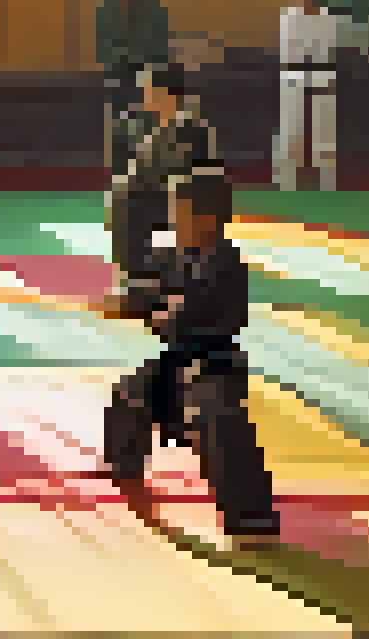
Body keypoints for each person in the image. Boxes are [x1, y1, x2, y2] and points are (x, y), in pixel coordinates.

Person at [106, 163, 282, 549]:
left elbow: (181, 315)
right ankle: (123, 467)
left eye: (178, 211)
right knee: (129, 394)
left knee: (218, 421)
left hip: (215, 363)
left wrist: (153, 313)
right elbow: (151, 287)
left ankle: (253, 519)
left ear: (205, 219)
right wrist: (130, 299)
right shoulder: (180, 252)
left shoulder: (224, 261)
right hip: (178, 358)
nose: (172, 218)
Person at [107, 67, 216, 302]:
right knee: (126, 201)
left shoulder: (189, 128)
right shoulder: (163, 129)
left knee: (131, 206)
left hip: (178, 202)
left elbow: (180, 173)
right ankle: (140, 281)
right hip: (160, 200)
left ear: (165, 93)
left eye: (148, 91)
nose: (145, 97)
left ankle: (144, 282)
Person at [96, 0, 172, 175]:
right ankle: (122, 172)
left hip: (147, 75)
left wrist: (149, 71)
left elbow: (160, 44)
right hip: (117, 75)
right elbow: (104, 44)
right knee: (120, 127)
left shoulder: (154, 8)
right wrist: (125, 56)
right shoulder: (106, 8)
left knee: (146, 127)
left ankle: (148, 173)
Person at [275, 0, 341, 192]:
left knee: (324, 135)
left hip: (322, 79)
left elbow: (325, 53)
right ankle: (287, 185)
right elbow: (290, 55)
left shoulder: (327, 19)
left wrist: (314, 75)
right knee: (290, 134)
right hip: (293, 80)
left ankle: (327, 185)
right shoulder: (287, 19)